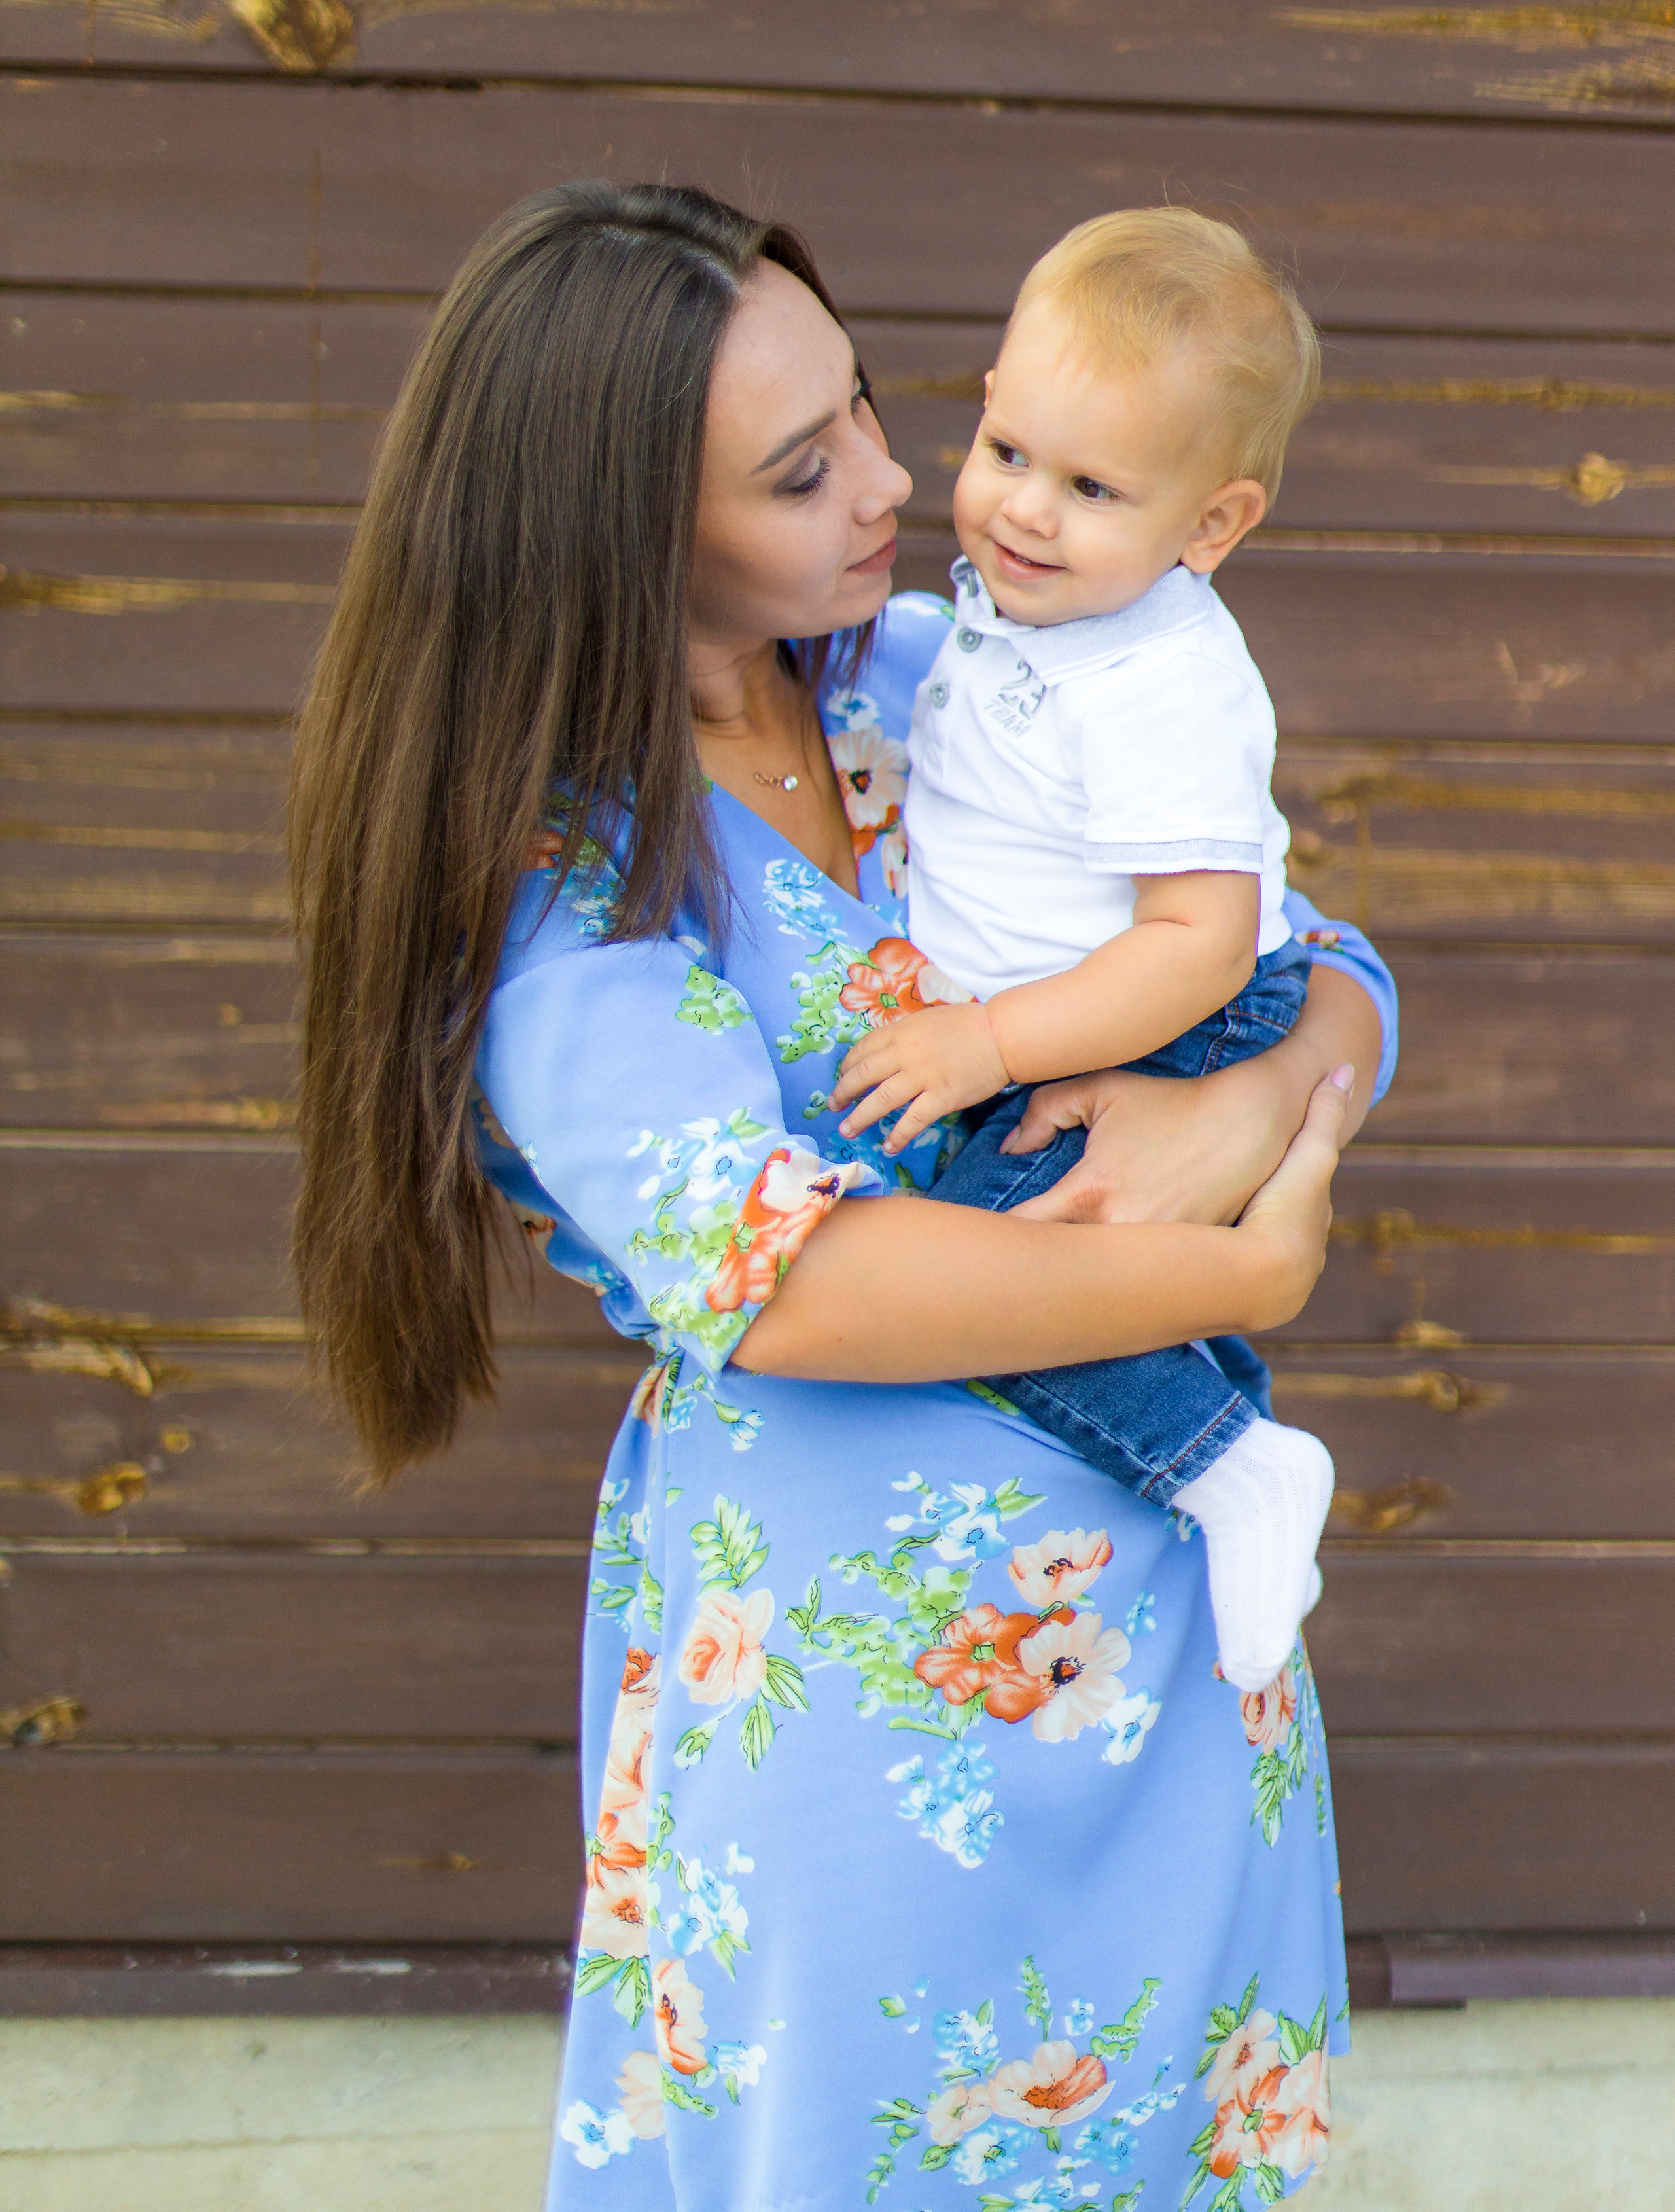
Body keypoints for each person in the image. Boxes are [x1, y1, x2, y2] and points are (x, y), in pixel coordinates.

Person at [289, 182, 1396, 2212]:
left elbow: (1315, 965)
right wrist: (1227, 1265)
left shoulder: (935, 668)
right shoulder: (573, 876)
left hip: (1172, 1615)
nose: (908, 482)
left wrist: (1236, 1126)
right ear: (621, 531)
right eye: (810, 470)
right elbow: (785, 1281)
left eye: (878, 408)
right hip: (869, 1695)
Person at [830, 209, 1340, 1693]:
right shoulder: (1014, 616)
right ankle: (1218, 1440)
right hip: (1078, 1020)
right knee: (1032, 1248)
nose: (1023, 515)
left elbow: (1199, 938)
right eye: (1006, 454)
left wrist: (985, 1044)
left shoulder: (1158, 680)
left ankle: (1230, 1465)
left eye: (1091, 487)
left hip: (1165, 1022)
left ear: (1209, 527)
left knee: (999, 1253)